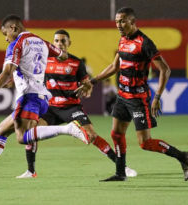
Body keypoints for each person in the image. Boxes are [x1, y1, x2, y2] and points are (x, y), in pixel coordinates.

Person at [0, 14, 90, 187]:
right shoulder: (40, 41)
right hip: (41, 97)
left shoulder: (16, 44)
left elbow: (6, 72)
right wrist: (26, 73)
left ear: (14, 28)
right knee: (1, 131)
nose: (5, 38)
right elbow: (60, 53)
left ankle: (68, 129)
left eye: (5, 33)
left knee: (21, 137)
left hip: (28, 97)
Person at [76, 7, 188, 182]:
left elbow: (165, 70)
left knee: (145, 143)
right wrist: (93, 81)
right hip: (123, 97)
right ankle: (120, 172)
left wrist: (158, 97)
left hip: (138, 99)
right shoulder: (123, 40)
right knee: (116, 133)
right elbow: (115, 66)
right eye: (116, 21)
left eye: (122, 21)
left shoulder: (144, 43)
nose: (119, 25)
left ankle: (183, 156)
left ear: (132, 21)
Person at [15, 29, 137, 178]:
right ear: (53, 43)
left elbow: (87, 85)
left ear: (69, 43)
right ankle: (31, 171)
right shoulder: (44, 61)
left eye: (63, 41)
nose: (60, 44)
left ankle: (122, 167)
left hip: (71, 107)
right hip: (50, 107)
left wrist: (87, 89)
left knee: (91, 135)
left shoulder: (76, 63)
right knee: (30, 133)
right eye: (57, 41)